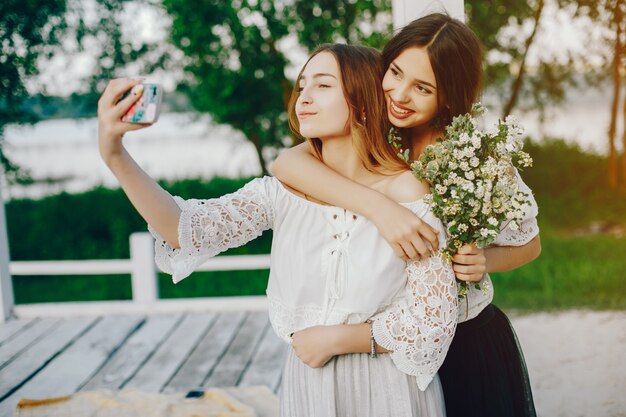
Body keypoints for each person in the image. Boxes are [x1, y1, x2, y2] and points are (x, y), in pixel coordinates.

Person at [97, 44, 458, 417]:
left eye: (322, 85)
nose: (304, 97)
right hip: (310, 388)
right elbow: (182, 230)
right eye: (302, 86)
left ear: (364, 104)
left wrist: (337, 339)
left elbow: (433, 319)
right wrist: (115, 154)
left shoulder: (408, 194)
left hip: (389, 390)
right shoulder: (278, 194)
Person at [272, 13, 540, 417]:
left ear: (448, 96)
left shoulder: (479, 159)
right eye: (394, 72)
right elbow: (287, 163)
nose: (398, 93)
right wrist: (378, 207)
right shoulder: (377, 133)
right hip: (386, 352)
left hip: (465, 341)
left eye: (422, 88)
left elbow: (530, 245)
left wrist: (482, 261)